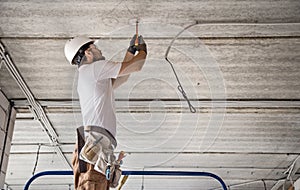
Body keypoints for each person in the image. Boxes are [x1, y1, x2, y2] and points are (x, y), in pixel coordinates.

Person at [64, 35, 147, 189]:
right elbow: (137, 66)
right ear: (88, 53)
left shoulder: (90, 74)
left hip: (95, 147)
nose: (99, 49)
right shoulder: (94, 69)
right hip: (95, 147)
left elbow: (120, 78)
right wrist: (143, 51)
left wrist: (130, 52)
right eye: (95, 47)